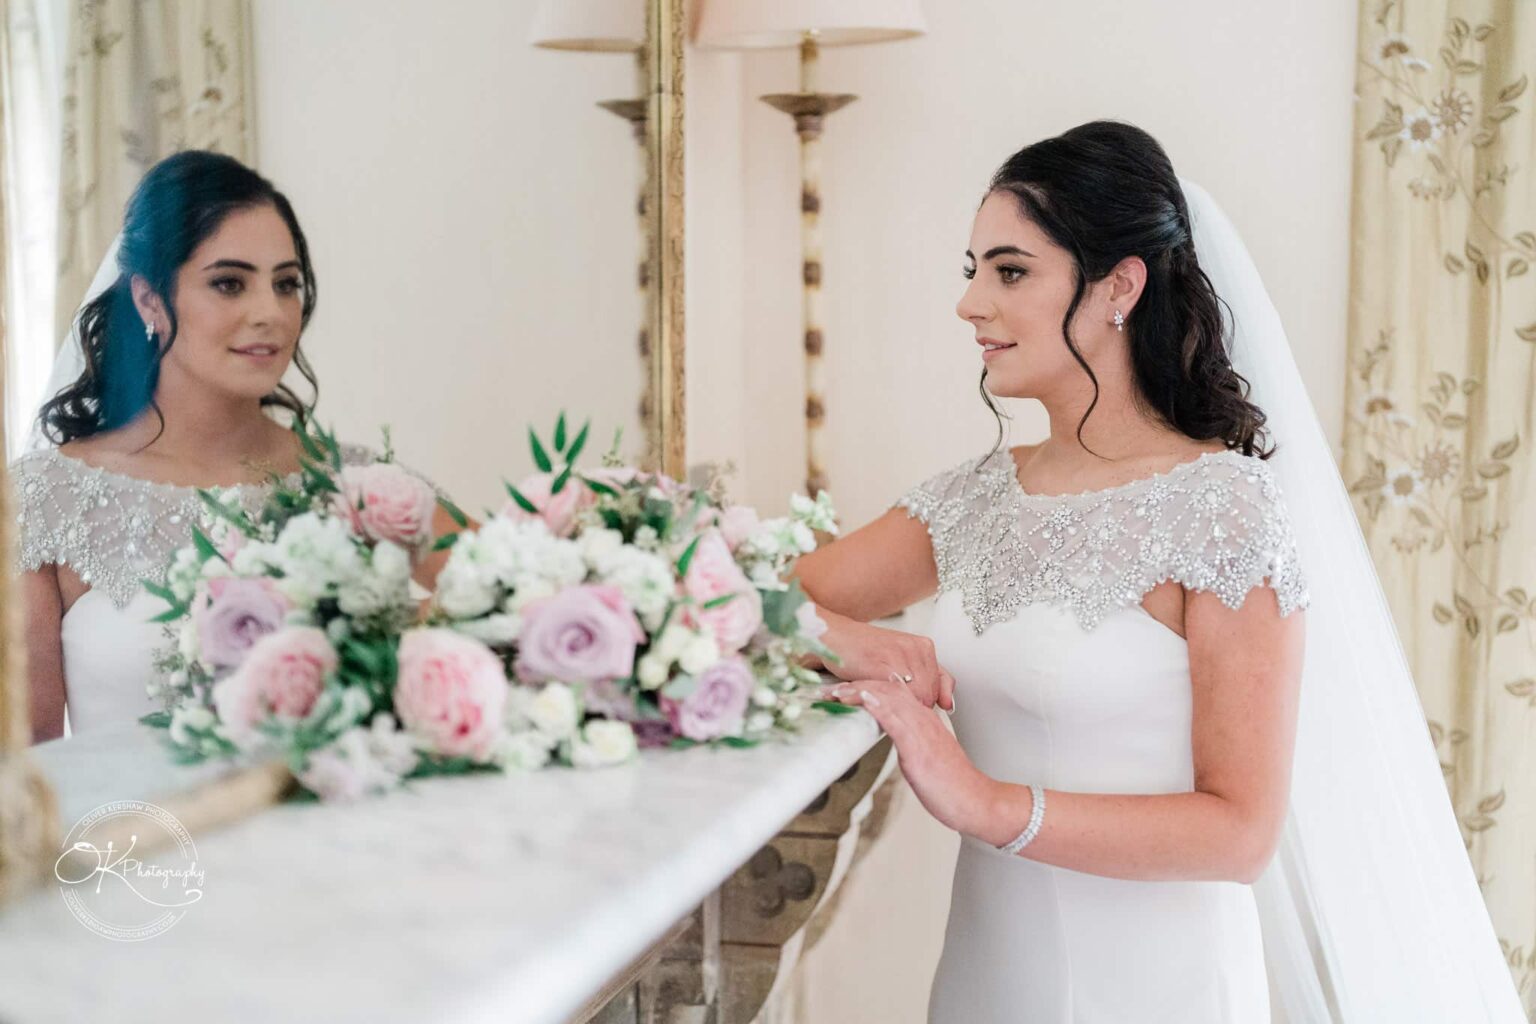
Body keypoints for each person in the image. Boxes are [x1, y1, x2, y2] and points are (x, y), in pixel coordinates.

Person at [794, 122, 1523, 1021]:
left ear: (1119, 287)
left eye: (1010, 271)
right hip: (989, 980)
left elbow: (1241, 833)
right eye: (972, 270)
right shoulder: (972, 499)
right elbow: (764, 603)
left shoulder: (1222, 512)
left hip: (1158, 990)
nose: (971, 303)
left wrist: (986, 803)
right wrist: (868, 646)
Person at [12, 150, 453, 744]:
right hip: (137, 835)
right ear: (147, 299)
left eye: (287, 284)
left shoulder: (358, 485)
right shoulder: (42, 502)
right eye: (229, 283)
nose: (270, 313)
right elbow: (23, 774)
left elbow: (516, 597)